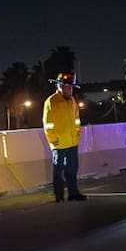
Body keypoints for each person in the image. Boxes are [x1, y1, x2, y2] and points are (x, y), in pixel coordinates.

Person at [42, 72, 86, 202]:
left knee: (72, 170)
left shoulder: (72, 101)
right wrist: (53, 140)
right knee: (58, 172)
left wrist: (77, 134)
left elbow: (77, 120)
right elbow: (48, 124)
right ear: (58, 86)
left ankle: (73, 193)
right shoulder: (51, 101)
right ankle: (59, 195)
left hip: (72, 143)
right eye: (66, 86)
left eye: (70, 87)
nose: (68, 89)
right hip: (59, 144)